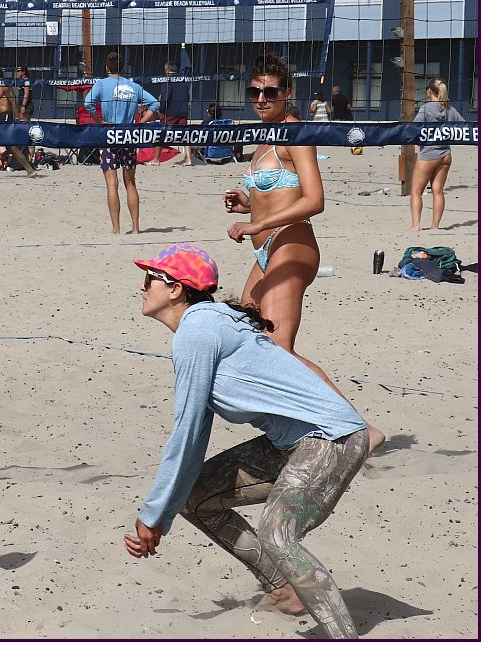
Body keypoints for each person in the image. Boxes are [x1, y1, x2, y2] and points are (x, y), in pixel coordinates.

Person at [123, 243, 370, 640]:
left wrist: (153, 515)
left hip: (331, 439)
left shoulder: (198, 330)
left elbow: (187, 432)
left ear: (175, 289)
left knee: (277, 534)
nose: (142, 285)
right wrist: (163, 513)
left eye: (150, 278)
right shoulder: (206, 325)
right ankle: (285, 590)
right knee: (196, 498)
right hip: (293, 444)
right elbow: (195, 431)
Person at [222, 54, 383, 451]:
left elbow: (314, 200)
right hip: (267, 250)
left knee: (277, 346)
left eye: (269, 91)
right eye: (254, 92)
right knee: (249, 340)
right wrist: (247, 204)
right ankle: (302, 424)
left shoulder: (296, 133)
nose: (261, 99)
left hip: (292, 243)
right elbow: (279, 195)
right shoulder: (264, 136)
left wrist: (257, 224)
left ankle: (361, 430)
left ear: (287, 92)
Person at [84, 52, 159, 233]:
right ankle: (135, 228)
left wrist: (99, 121)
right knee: (130, 183)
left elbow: (87, 104)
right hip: (129, 135)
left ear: (106, 68)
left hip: (109, 134)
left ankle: (116, 229)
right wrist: (141, 122)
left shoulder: (102, 84)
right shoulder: (133, 86)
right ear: (122, 68)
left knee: (112, 184)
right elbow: (155, 103)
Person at [408, 76, 466, 233]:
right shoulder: (450, 109)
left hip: (429, 154)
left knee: (416, 191)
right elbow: (464, 126)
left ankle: (416, 225)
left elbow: (414, 128)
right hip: (445, 154)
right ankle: (435, 226)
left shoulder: (426, 109)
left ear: (429, 92)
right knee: (438, 191)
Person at [150, 61, 191, 166]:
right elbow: (188, 96)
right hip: (183, 111)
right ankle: (188, 159)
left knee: (160, 134)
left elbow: (165, 97)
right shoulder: (184, 80)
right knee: (185, 135)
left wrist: (161, 110)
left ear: (167, 70)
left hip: (170, 112)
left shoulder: (167, 80)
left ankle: (156, 159)